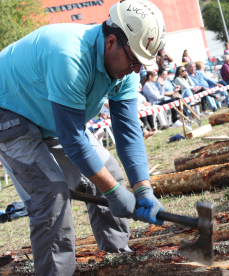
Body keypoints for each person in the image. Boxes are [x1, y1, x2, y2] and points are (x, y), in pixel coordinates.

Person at [0, 0, 166, 275]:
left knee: (108, 170)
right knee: (50, 195)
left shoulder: (126, 66)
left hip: (45, 115)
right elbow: (74, 140)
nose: (137, 70)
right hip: (7, 113)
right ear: (111, 41)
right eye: (135, 60)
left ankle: (117, 261)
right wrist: (114, 193)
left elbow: (127, 130)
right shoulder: (69, 55)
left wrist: (143, 189)